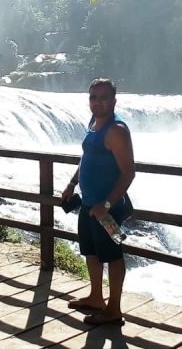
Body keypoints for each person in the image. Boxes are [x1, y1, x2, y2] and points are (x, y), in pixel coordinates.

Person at [60, 78, 135, 326]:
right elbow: (86, 157)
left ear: (114, 100)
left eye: (103, 97)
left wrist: (106, 205)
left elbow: (128, 173)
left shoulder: (117, 130)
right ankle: (95, 297)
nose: (97, 102)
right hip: (89, 205)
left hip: (108, 210)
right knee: (90, 251)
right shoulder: (94, 123)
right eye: (93, 97)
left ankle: (114, 309)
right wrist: (72, 184)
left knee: (114, 255)